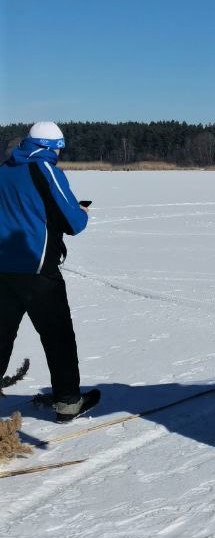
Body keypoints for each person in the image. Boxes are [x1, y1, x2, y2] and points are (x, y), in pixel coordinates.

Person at [0, 122, 96, 422]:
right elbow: (73, 223)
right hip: (38, 270)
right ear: (52, 147)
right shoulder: (45, 169)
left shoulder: (4, 169)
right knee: (58, 336)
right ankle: (68, 403)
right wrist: (82, 212)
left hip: (3, 269)